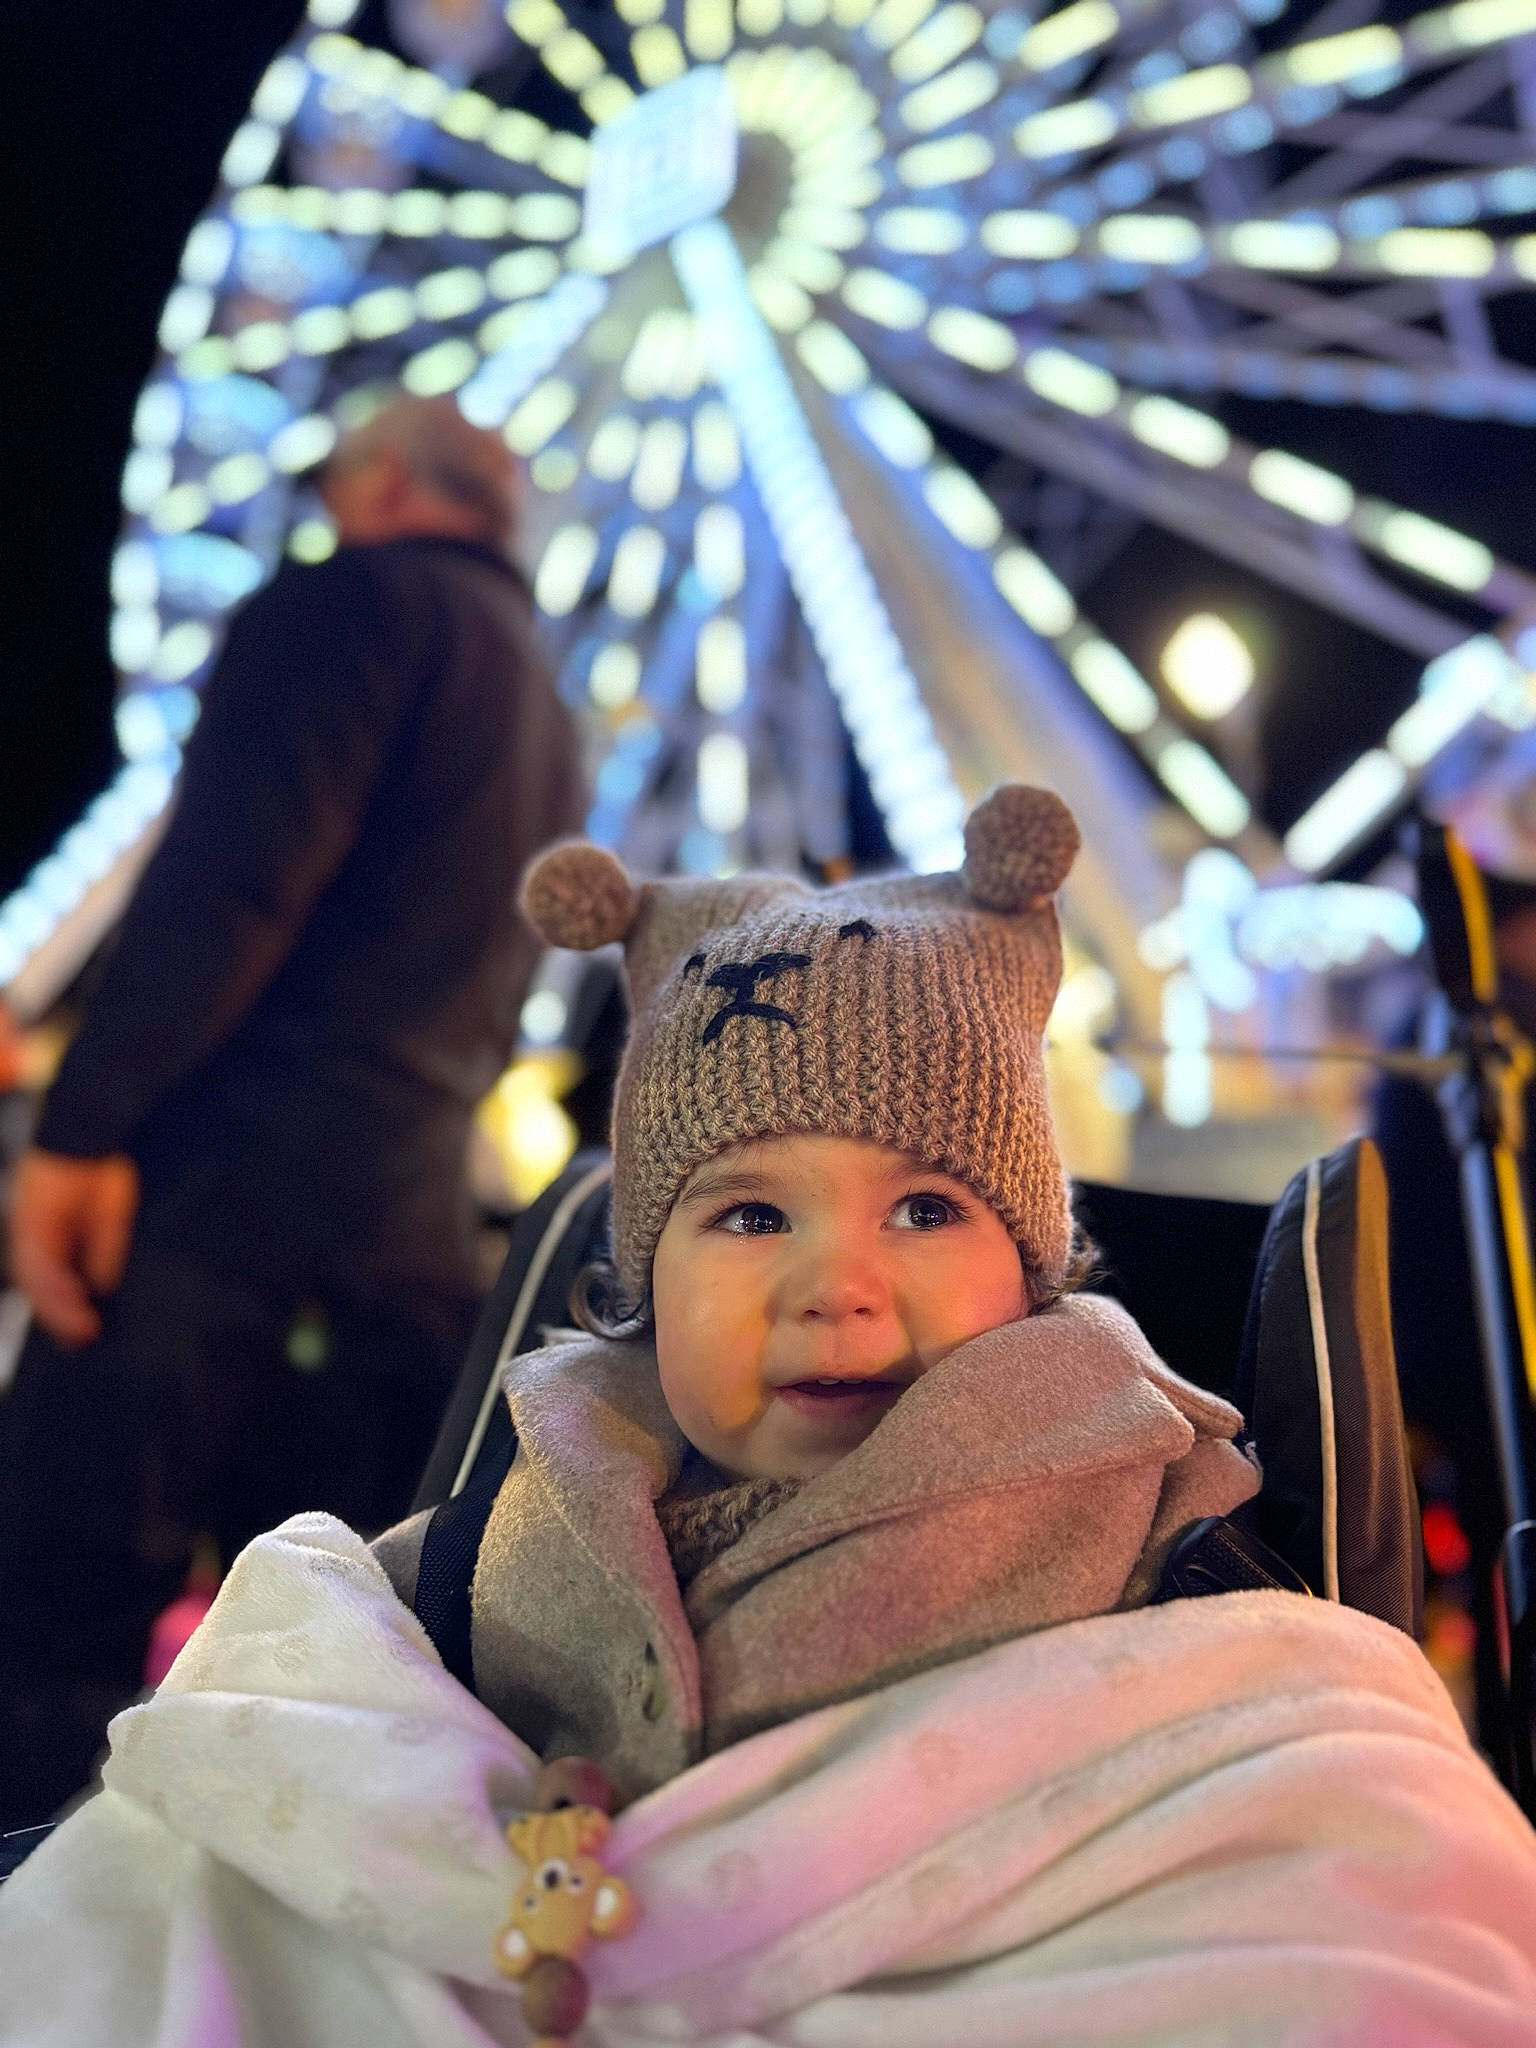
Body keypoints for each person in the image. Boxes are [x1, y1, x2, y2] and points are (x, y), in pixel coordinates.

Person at [4, 785, 1536, 2047]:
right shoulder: (524, 1506)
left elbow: (1285, 1767)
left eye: (927, 1207)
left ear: (1038, 1266)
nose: (836, 1284)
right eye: (746, 1219)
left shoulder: (1153, 1512)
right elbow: (334, 1694)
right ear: (643, 1286)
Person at [0, 394, 584, 1829]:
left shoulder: (349, 607)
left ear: (381, 481)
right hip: (409, 1232)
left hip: (222, 1207)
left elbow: (227, 888)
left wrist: (83, 1129)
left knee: (51, 1601)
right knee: (305, 1642)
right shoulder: (543, 702)